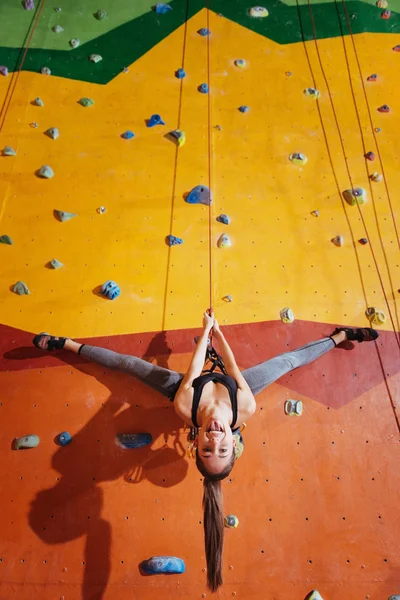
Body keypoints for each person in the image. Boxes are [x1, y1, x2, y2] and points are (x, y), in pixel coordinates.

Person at [33, 313, 378, 591]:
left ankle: (67, 344)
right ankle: (341, 336)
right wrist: (218, 335)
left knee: (131, 366)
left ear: (194, 440)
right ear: (233, 441)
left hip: (195, 388)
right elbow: (231, 367)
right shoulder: (246, 408)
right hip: (231, 391)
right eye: (223, 446)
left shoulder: (184, 409)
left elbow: (196, 370)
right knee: (286, 362)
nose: (216, 436)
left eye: (208, 446)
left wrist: (206, 332)